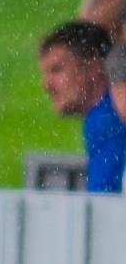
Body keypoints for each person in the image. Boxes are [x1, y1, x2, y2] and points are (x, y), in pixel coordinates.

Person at [37, 21, 125, 193]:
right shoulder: (100, 118)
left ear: (94, 66)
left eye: (57, 70)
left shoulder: (109, 117)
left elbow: (103, 204)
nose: (46, 85)